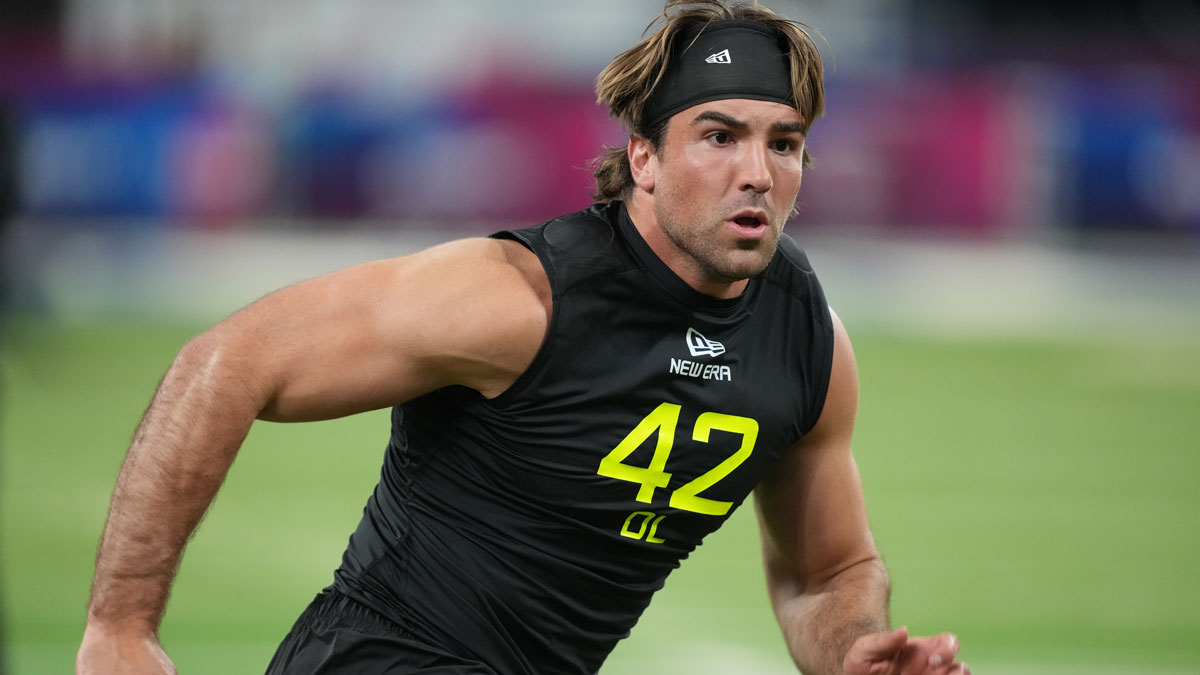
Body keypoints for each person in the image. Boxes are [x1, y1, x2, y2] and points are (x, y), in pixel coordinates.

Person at [77, 2, 969, 674]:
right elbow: (228, 362)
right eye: (719, 136)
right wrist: (121, 624)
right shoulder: (519, 296)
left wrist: (853, 648)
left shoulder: (807, 338)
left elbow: (826, 572)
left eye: (785, 143)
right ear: (645, 157)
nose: (757, 172)